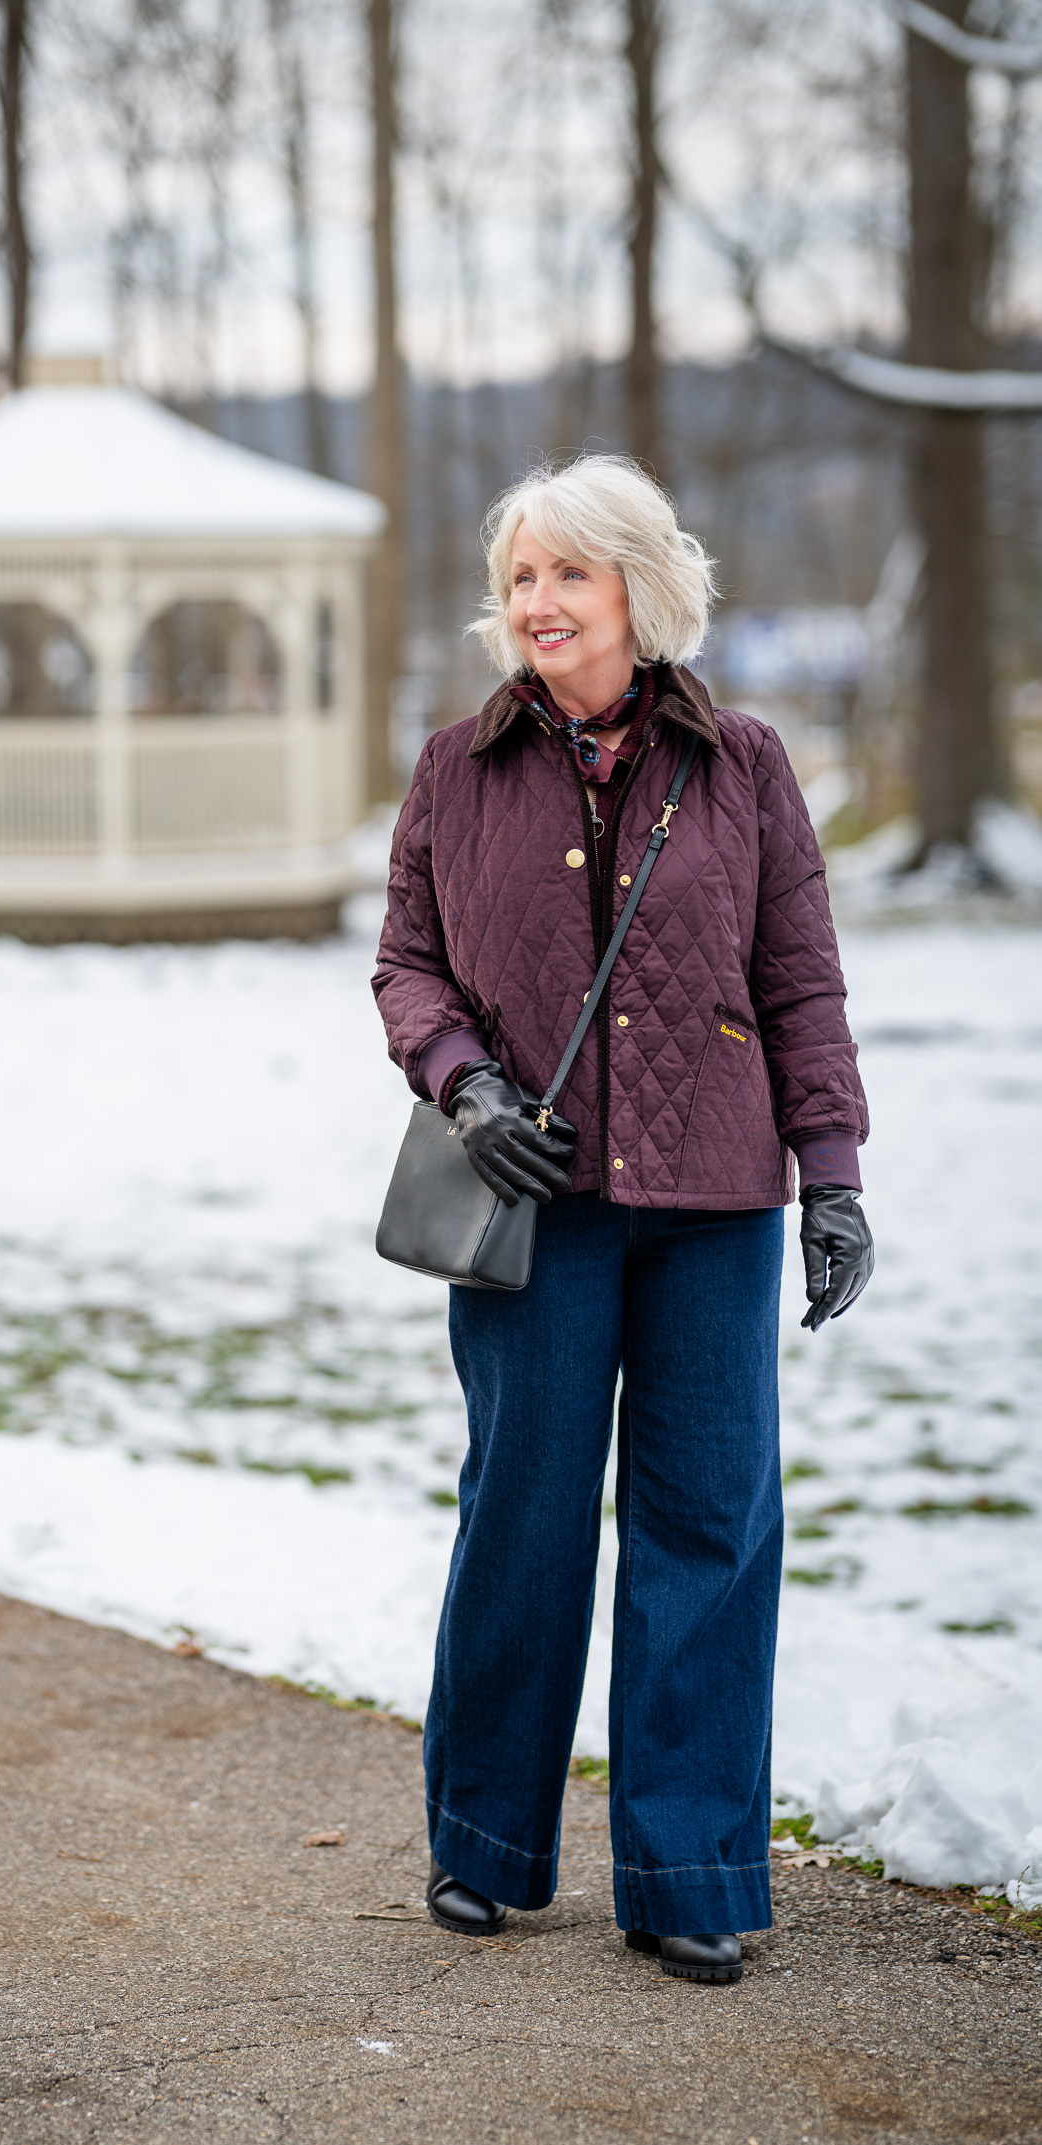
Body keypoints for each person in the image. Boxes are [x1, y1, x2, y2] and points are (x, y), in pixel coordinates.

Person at [372, 455, 873, 1986]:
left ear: (639, 591)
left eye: (567, 576)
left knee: (708, 1530)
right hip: (538, 1207)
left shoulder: (744, 764)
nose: (536, 603)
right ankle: (484, 1842)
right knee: (521, 1511)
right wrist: (462, 1088)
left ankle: (692, 1872)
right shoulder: (457, 766)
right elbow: (408, 965)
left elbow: (798, 978)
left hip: (716, 1206)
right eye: (520, 576)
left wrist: (833, 1168)